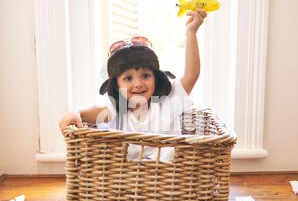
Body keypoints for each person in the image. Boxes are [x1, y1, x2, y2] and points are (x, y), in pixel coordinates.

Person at [59, 9, 207, 159]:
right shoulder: (118, 110)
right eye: (128, 78)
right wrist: (73, 113)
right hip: (131, 180)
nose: (138, 84)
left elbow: (192, 74)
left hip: (168, 178)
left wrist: (191, 33)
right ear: (116, 86)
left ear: (156, 78)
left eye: (145, 75)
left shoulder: (167, 102)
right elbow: (84, 113)